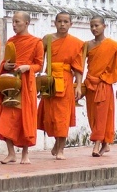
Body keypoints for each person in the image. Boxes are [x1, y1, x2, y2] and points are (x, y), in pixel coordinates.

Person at [0, 12, 43, 165]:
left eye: (17, 22)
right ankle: (10, 153)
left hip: (26, 84)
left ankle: (25, 154)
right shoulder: (11, 41)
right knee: (6, 119)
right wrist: (5, 66)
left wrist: (27, 67)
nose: (14, 25)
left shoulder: (36, 43)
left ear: (27, 23)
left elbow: (39, 65)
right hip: (10, 83)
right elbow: (5, 62)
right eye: (13, 22)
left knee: (25, 118)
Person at [37, 12, 84, 160]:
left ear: (71, 24)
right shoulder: (47, 39)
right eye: (60, 21)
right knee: (51, 116)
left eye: (65, 22)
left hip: (65, 81)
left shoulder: (76, 43)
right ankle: (57, 143)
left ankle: (61, 149)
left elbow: (78, 67)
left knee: (62, 117)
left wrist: (78, 86)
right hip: (50, 81)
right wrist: (39, 81)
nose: (62, 24)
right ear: (55, 23)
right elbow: (39, 61)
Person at [84, 16, 117, 157]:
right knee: (93, 117)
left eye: (97, 25)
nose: (94, 29)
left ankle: (96, 144)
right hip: (90, 84)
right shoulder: (87, 45)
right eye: (91, 26)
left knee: (102, 116)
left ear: (104, 26)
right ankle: (105, 144)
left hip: (104, 85)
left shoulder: (112, 46)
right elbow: (79, 64)